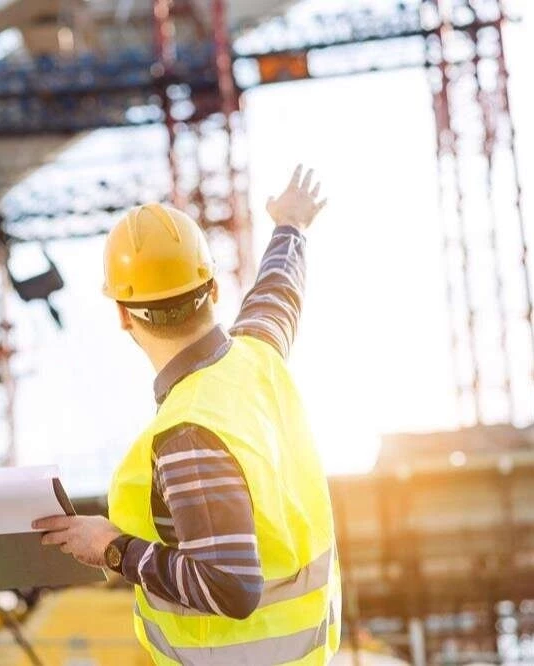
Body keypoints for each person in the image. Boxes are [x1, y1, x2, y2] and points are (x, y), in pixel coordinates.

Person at [34, 166, 341, 665]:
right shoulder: (255, 358)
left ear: (122, 315)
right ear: (214, 290)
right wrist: (290, 227)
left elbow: (230, 586)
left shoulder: (189, 432)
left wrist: (113, 548)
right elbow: (278, 294)